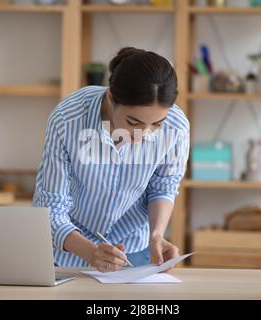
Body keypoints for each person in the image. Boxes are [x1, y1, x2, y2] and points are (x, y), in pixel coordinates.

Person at [33, 47, 190, 272]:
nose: (144, 134)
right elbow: (51, 205)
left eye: (157, 124)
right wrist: (89, 251)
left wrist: (157, 235)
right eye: (134, 123)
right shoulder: (67, 119)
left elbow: (163, 187)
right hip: (70, 251)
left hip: (134, 249)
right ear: (110, 97)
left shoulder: (176, 127)